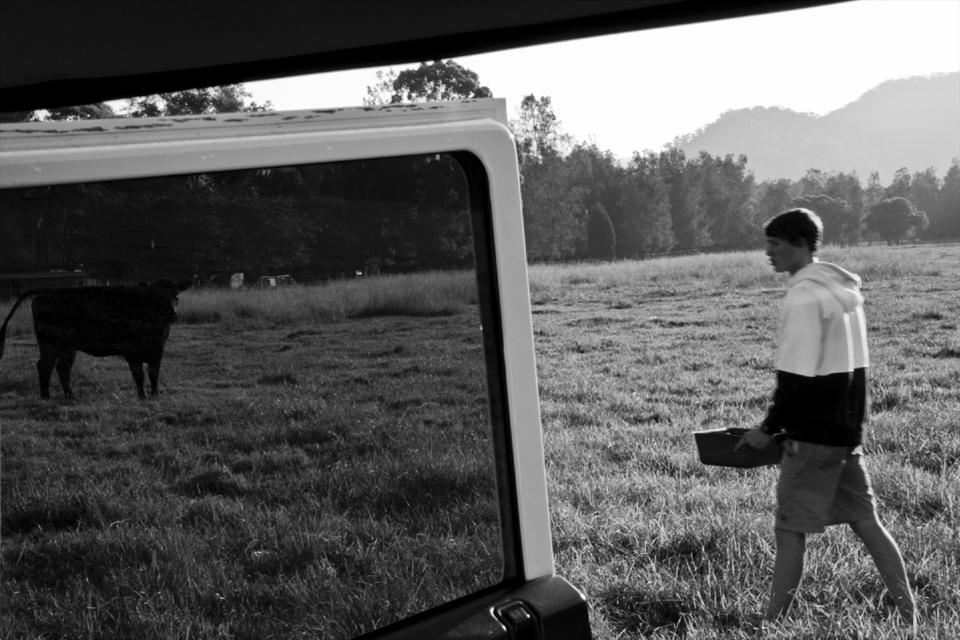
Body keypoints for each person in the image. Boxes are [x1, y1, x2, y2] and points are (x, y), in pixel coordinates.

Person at [736, 208, 916, 632]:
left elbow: (796, 379)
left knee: (789, 530)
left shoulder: (802, 296)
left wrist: (769, 429)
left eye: (775, 243)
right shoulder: (840, 291)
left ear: (800, 244)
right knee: (866, 522)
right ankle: (910, 612)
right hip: (845, 433)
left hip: (812, 437)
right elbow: (855, 372)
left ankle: (772, 622)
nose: (768, 252)